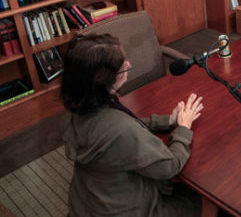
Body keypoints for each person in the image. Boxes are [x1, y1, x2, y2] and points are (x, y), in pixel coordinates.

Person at [61, 34, 208, 216]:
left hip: (89, 204)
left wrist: (168, 120)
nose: (129, 65)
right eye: (122, 68)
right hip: (127, 211)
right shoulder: (121, 129)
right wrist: (184, 128)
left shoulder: (80, 105)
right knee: (203, 200)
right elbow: (169, 167)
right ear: (103, 81)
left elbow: (124, 125)